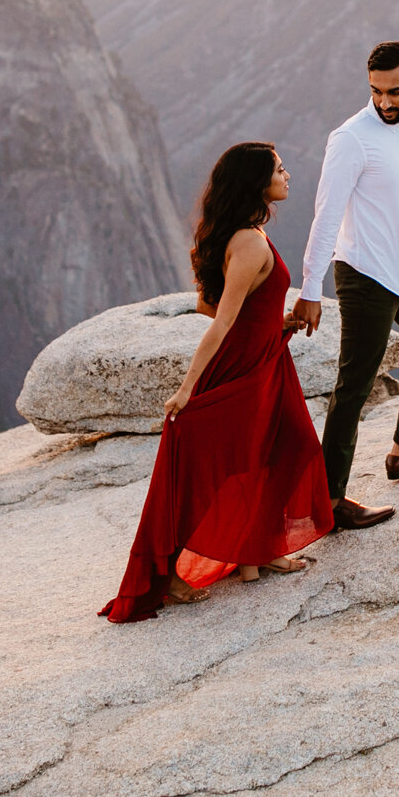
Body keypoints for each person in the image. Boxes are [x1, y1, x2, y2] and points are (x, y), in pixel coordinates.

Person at [103, 142, 332, 623]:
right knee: (227, 464)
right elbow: (220, 320)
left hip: (266, 358)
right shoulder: (248, 242)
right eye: (279, 170)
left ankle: (257, 552)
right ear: (257, 183)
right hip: (244, 370)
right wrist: (188, 389)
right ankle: (173, 575)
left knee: (282, 450)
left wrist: (278, 324)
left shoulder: (244, 235)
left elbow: (227, 306)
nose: (288, 176)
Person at [292, 40, 399, 527]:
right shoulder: (351, 137)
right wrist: (310, 288)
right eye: (375, 92)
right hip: (365, 274)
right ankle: (328, 502)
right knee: (355, 384)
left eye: (395, 91)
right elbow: (325, 217)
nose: (384, 102)